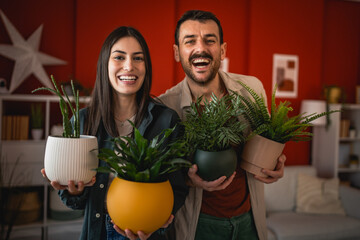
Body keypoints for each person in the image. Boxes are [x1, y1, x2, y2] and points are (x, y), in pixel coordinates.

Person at [41, 26, 188, 240]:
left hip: (146, 232)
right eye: (119, 57)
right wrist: (73, 191)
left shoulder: (166, 120)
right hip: (98, 231)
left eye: (138, 59)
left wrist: (160, 221)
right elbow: (76, 202)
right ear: (105, 64)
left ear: (146, 67)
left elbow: (177, 188)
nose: (129, 66)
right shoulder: (82, 121)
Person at [158, 10, 286, 240]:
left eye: (210, 40)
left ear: (223, 50)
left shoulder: (251, 90)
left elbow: (268, 141)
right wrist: (188, 179)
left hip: (250, 219)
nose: (201, 48)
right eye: (190, 41)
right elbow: (157, 177)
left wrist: (277, 163)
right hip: (198, 226)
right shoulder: (165, 109)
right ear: (177, 52)